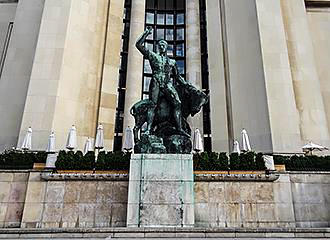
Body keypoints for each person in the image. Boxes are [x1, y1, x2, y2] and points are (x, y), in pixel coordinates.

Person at [135, 26, 190, 137]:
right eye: (160, 45)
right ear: (158, 47)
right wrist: (146, 33)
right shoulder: (153, 56)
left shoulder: (172, 62)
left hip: (167, 84)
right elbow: (138, 45)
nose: (161, 46)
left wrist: (187, 85)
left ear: (166, 47)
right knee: (152, 105)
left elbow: (178, 77)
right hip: (155, 82)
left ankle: (179, 128)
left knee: (177, 103)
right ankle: (149, 129)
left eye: (163, 45)